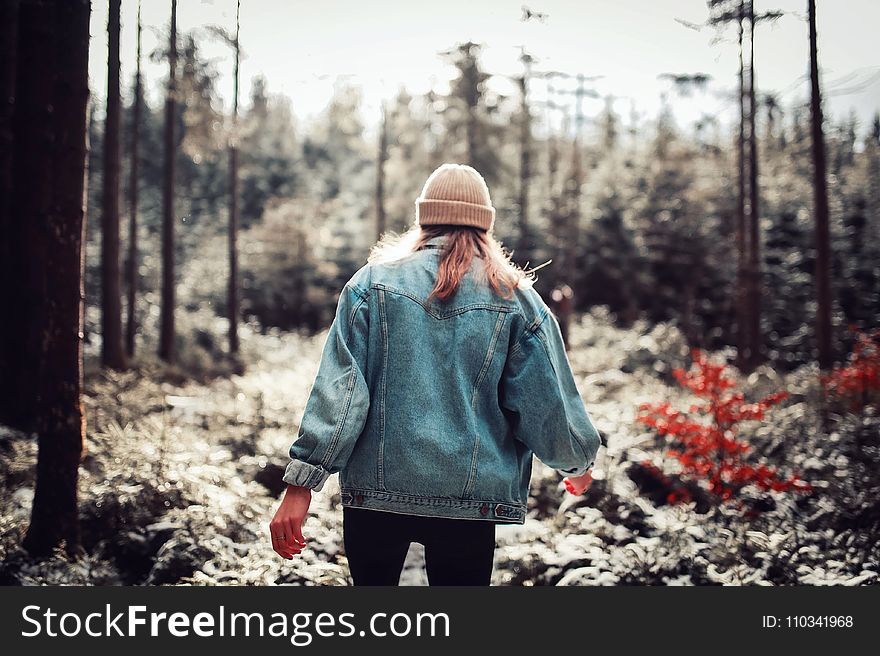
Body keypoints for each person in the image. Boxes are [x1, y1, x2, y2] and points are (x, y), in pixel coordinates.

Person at [269, 163, 605, 586]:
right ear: (485, 224)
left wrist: (301, 485)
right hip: (469, 502)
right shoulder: (517, 299)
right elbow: (546, 403)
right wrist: (576, 465)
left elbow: (341, 393)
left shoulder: (370, 285)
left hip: (375, 497)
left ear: (424, 219)